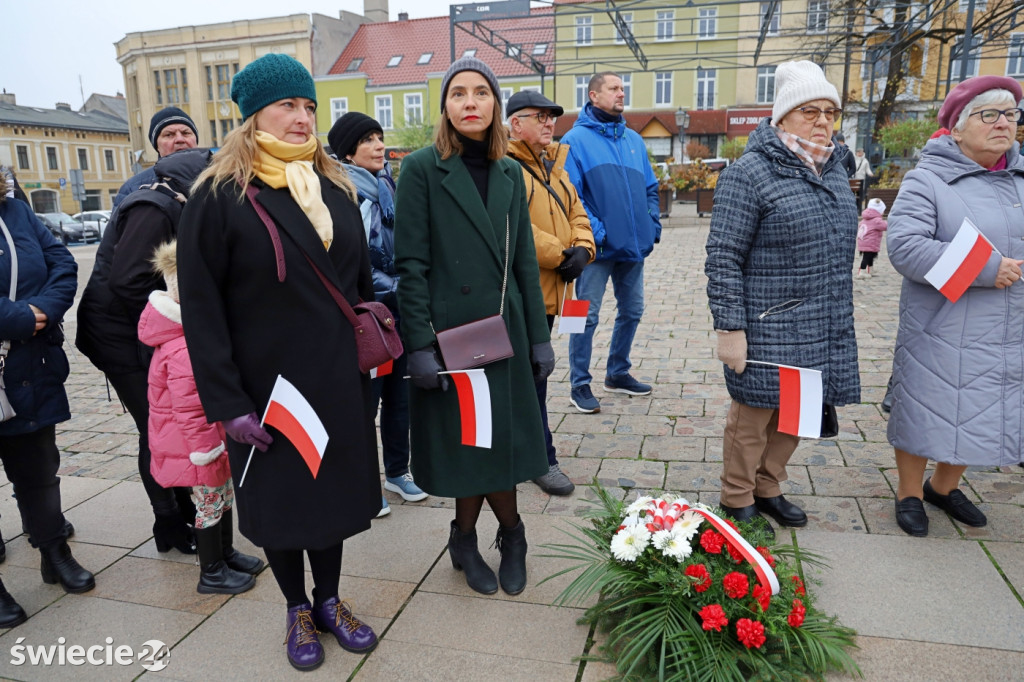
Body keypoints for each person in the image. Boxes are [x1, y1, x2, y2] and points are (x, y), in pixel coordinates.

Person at [177, 53, 379, 671]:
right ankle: (296, 607)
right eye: (288, 105)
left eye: (309, 106)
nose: (302, 118)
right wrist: (228, 403)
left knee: (335, 501)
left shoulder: (335, 186)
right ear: (253, 114)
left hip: (337, 377)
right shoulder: (217, 196)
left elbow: (360, 283)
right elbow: (202, 310)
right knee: (288, 503)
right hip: (270, 390)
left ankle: (330, 600)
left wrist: (370, 351)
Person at [394, 57, 553, 597]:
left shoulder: (511, 171)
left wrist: (539, 336)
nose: (469, 102)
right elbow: (409, 266)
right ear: (445, 105)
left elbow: (525, 261)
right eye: (458, 93)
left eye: (480, 93)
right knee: (471, 444)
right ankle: (498, 533)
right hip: (451, 335)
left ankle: (487, 537)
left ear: (495, 105)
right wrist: (418, 345)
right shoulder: (420, 168)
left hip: (503, 331)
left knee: (499, 441)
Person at [704, 60, 860, 533]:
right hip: (768, 320)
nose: (821, 121)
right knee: (753, 418)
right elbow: (723, 256)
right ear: (781, 117)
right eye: (809, 111)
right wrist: (730, 327)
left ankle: (769, 486)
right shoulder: (748, 174)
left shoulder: (833, 169)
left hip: (821, 318)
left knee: (798, 414)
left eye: (829, 112)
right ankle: (736, 497)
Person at [886, 75, 1024, 537]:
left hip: (1007, 327)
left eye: (1010, 114)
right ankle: (909, 492)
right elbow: (904, 247)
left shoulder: (1021, 178)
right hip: (941, 325)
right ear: (958, 127)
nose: (1003, 123)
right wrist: (986, 268)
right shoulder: (927, 179)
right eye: (989, 114)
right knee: (928, 406)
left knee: (983, 406)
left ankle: (943, 488)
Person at [76, 147, 211, 556]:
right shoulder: (154, 206)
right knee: (155, 430)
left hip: (145, 334)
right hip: (119, 336)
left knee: (168, 425)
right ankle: (167, 519)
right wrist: (179, 317)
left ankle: (183, 512)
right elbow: (128, 281)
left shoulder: (178, 201)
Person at [138, 241, 264, 595]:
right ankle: (211, 571)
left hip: (210, 439)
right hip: (197, 445)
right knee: (209, 502)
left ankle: (224, 553)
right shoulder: (183, 348)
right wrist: (208, 450)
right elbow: (190, 410)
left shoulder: (192, 335)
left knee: (222, 495)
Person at [0, 170, 94, 627]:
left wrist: (45, 310)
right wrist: (17, 316)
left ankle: (53, 549)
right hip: (17, 341)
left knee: (38, 467)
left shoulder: (16, 209)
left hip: (28, 368)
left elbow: (62, 262)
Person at [327, 112, 427, 518]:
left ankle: (397, 471)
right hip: (366, 315)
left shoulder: (387, 185)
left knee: (400, 398)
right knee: (365, 404)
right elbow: (353, 261)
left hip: (396, 313)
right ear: (348, 150)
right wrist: (399, 286)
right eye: (368, 139)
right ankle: (365, 481)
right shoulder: (339, 192)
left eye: (380, 137)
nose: (379, 145)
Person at [506, 90, 595, 496]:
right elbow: (517, 228)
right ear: (514, 124)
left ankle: (526, 451)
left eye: (551, 116)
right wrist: (563, 255)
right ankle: (541, 459)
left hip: (553, 291)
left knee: (533, 377)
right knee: (532, 378)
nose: (548, 122)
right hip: (523, 294)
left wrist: (583, 248)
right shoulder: (506, 169)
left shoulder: (555, 166)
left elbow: (578, 211)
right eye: (538, 116)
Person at [561, 72, 660, 414]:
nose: (622, 93)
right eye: (614, 88)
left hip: (633, 247)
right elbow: (570, 196)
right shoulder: (573, 141)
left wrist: (651, 224)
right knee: (581, 316)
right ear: (593, 95)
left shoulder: (633, 139)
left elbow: (651, 187)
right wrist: (598, 233)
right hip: (595, 250)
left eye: (623, 88)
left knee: (633, 310)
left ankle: (618, 372)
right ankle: (578, 384)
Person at [113, 107, 199, 208]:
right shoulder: (133, 188)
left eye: (186, 133)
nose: (180, 139)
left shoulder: (217, 178)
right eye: (169, 134)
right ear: (157, 146)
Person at [856, 198, 888, 278]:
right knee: (867, 257)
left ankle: (871, 269)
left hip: (864, 241)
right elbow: (885, 226)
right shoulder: (877, 220)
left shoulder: (865, 219)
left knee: (870, 256)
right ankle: (862, 271)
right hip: (870, 242)